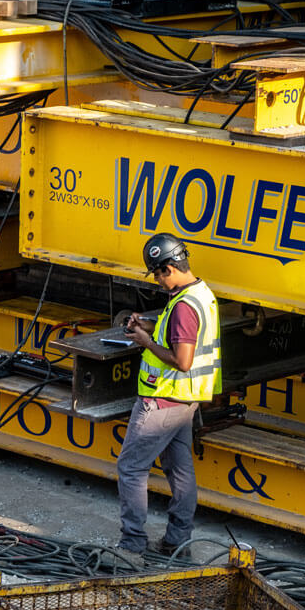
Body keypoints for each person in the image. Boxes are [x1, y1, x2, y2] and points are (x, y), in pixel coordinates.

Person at [115, 232, 221, 567]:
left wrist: (145, 340)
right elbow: (177, 329)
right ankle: (178, 543)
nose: (159, 282)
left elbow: (183, 359)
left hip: (163, 400)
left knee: (131, 469)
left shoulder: (184, 307)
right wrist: (149, 322)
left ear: (169, 267)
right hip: (185, 402)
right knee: (179, 471)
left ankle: (131, 548)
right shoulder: (199, 293)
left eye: (159, 274)